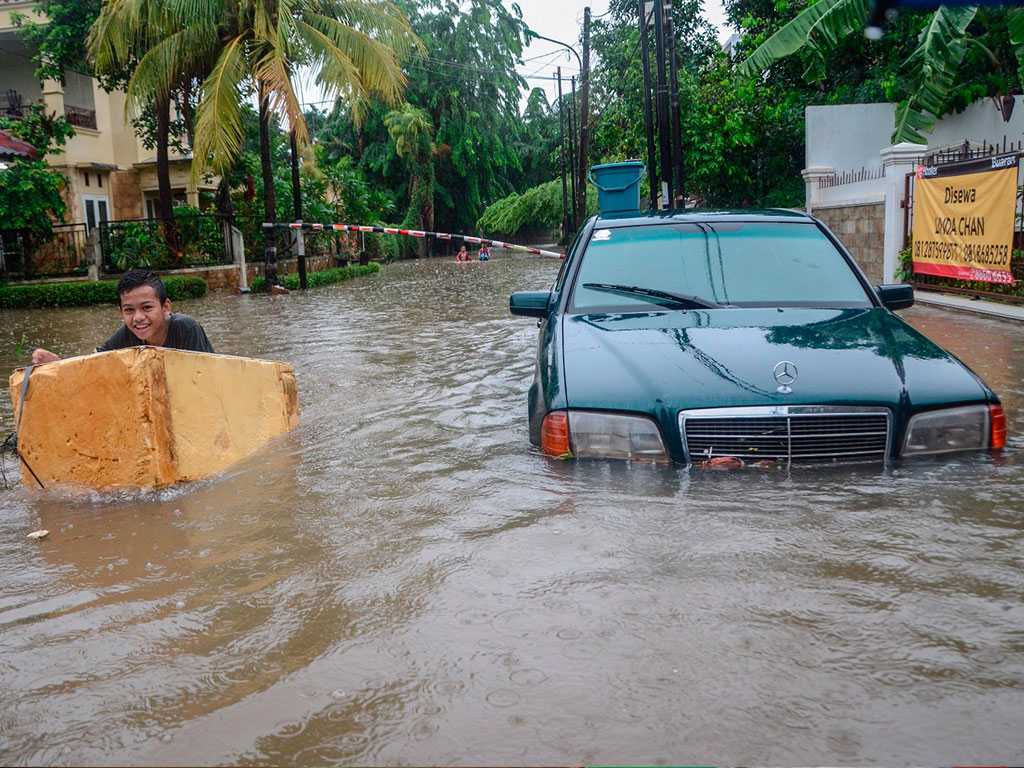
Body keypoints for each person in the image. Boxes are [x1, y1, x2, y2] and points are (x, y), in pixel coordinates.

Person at [31, 268, 215, 364]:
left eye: (147, 307)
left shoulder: (186, 328)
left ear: (165, 307)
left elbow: (200, 378)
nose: (138, 317)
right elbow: (92, 364)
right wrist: (59, 364)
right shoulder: (128, 334)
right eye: (129, 310)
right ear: (121, 313)